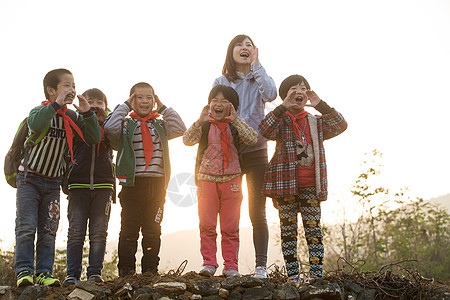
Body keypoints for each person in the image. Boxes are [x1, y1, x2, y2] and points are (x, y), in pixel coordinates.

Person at [14, 68, 101, 287]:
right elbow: (35, 125)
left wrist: (87, 113)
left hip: (53, 183)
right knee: (26, 226)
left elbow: (93, 138)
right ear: (51, 90)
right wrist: (55, 105)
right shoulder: (39, 111)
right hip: (29, 179)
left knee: (48, 229)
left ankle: (44, 272)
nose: (72, 89)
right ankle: (24, 271)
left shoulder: (72, 117)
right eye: (66, 86)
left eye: (73, 85)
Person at [259, 74, 348, 282]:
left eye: (303, 88)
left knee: (313, 230)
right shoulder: (281, 119)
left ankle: (316, 275)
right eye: (293, 89)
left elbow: (340, 125)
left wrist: (320, 105)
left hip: (311, 185)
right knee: (288, 231)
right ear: (285, 95)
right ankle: (293, 275)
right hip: (285, 185)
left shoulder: (315, 121)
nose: (299, 91)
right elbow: (265, 130)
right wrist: (283, 107)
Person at [104, 82, 186, 276]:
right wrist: (124, 106)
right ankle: (126, 269)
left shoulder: (160, 124)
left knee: (152, 229)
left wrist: (163, 108)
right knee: (129, 230)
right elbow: (109, 128)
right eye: (139, 97)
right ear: (132, 99)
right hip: (132, 184)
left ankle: (150, 269)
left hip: (156, 184)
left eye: (149, 97)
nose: (145, 101)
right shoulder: (125, 124)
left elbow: (181, 128)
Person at [213, 34, 277, 278]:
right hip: (230, 152)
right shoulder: (221, 81)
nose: (244, 48)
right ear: (231, 52)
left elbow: (271, 95)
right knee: (230, 211)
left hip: (258, 151)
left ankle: (261, 266)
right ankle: (231, 266)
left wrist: (256, 66)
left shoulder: (259, 77)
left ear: (254, 51)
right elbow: (216, 112)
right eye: (239, 44)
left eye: (249, 45)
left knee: (257, 211)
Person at [183, 85, 257, 278]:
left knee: (230, 227)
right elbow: (187, 140)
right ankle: (209, 263)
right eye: (215, 100)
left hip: (232, 180)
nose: (218, 104)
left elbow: (253, 139)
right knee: (207, 225)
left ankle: (231, 265)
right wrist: (199, 122)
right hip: (206, 180)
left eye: (224, 101)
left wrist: (236, 120)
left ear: (232, 106)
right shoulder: (206, 125)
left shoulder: (236, 125)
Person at [63, 88, 115, 286]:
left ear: (105, 106)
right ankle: (72, 274)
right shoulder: (76, 122)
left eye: (99, 102)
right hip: (78, 184)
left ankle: (94, 272)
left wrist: (103, 120)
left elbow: (116, 141)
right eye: (89, 100)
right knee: (76, 231)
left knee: (99, 231)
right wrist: (87, 117)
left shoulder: (111, 126)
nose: (94, 104)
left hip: (103, 185)